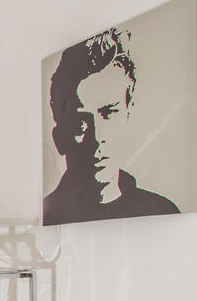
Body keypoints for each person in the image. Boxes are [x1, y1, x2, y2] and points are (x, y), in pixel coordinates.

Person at [42, 28, 178, 225]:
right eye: (81, 122)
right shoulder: (47, 217)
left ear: (128, 117)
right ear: (59, 138)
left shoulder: (162, 212)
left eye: (109, 113)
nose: (98, 138)